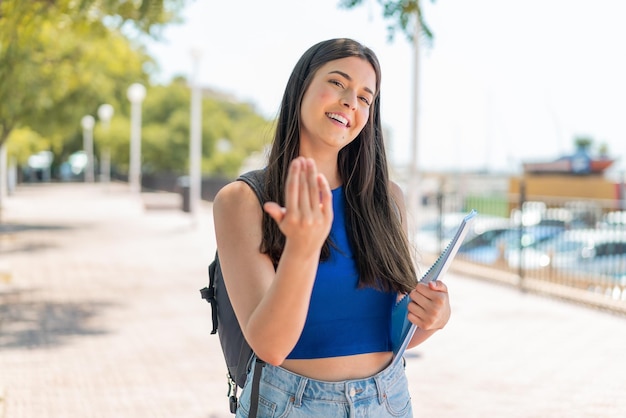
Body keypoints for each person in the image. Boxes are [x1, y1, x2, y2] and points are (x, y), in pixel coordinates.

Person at [213, 38, 451, 417]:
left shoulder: (388, 199)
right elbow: (270, 346)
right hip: (290, 404)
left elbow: (388, 332)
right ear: (302, 86)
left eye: (365, 98)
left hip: (388, 400)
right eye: (338, 83)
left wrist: (432, 318)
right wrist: (302, 250)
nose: (350, 102)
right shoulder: (243, 201)